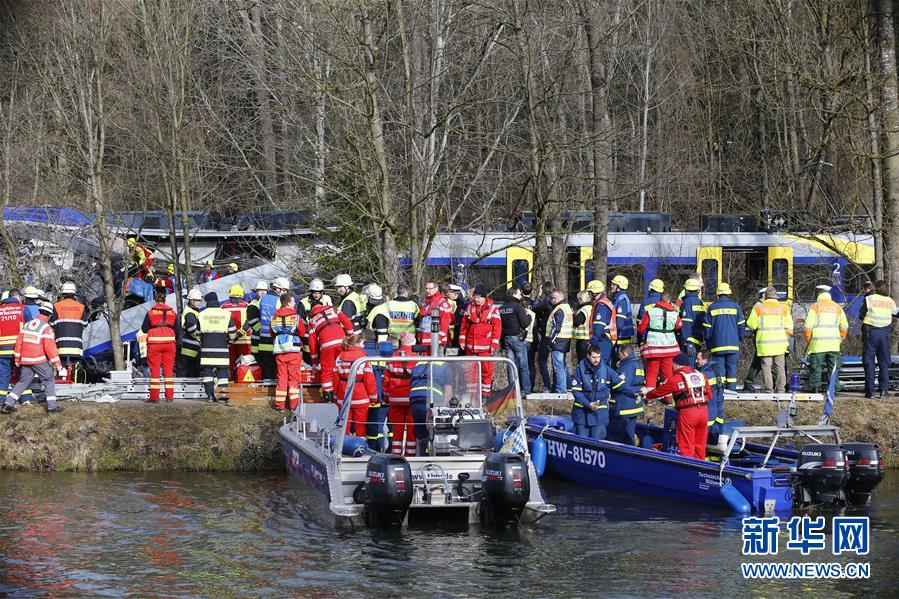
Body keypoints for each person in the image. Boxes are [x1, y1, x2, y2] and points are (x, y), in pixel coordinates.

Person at [1, 302, 65, 414]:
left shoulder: (27, 324)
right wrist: (57, 365)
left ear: (39, 312)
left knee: (23, 381)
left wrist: (17, 358)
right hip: (38, 359)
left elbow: (19, 342)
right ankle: (52, 408)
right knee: (49, 380)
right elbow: (50, 348)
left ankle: (7, 404)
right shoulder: (46, 328)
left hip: (25, 360)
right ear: (49, 315)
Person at [644, 354, 711, 459]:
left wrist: (647, 393)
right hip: (704, 412)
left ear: (676, 364)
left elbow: (659, 392)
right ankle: (699, 468)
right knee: (700, 445)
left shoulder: (676, 378)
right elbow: (709, 395)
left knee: (686, 444)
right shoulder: (701, 376)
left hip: (688, 414)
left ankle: (686, 469)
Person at [746, 287, 793, 394]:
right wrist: (784, 337)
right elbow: (789, 327)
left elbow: (751, 324)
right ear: (776, 296)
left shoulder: (759, 308)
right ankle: (781, 390)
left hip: (764, 344)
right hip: (780, 344)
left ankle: (769, 390)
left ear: (765, 296)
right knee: (780, 367)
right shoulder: (784, 308)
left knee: (766, 367)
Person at [459, 284, 502, 397]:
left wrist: (494, 343)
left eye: (478, 297)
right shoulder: (470, 308)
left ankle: (485, 393)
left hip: (485, 346)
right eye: (475, 297)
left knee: (486, 370)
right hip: (471, 346)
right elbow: (464, 325)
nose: (476, 299)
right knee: (470, 371)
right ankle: (472, 393)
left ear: (484, 297)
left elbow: (497, 327)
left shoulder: (493, 309)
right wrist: (462, 339)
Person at [804, 286, 849, 393]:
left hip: (818, 344)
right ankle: (834, 391)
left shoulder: (815, 307)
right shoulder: (837, 307)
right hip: (834, 344)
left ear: (819, 293)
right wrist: (840, 339)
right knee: (833, 369)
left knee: (816, 367)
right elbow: (844, 325)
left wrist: (808, 340)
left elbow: (807, 326)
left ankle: (814, 389)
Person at [703, 283, 745, 391]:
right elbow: (741, 326)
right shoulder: (736, 307)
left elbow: (707, 328)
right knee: (731, 368)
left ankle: (720, 391)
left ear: (718, 294)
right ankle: (731, 390)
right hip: (733, 344)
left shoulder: (712, 307)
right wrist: (740, 340)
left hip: (717, 345)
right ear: (729, 294)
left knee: (719, 369)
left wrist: (708, 343)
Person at [308, 302, 354, 402]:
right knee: (344, 366)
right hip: (341, 341)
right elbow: (347, 322)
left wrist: (315, 362)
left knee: (326, 372)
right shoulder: (334, 310)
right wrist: (350, 337)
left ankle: (329, 395)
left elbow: (312, 344)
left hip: (326, 346)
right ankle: (346, 391)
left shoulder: (312, 321)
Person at [859, 279, 897, 398]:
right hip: (884, 334)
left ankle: (870, 392)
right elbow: (896, 313)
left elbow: (861, 314)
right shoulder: (890, 301)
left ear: (875, 288)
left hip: (870, 332)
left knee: (869, 362)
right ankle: (884, 392)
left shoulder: (870, 299)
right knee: (884, 363)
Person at [334, 334, 378, 438]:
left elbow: (335, 378)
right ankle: (360, 447)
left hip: (343, 393)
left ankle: (343, 446)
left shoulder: (339, 357)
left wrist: (335, 396)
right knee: (360, 426)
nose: (363, 346)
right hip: (360, 395)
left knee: (344, 424)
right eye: (362, 343)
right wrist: (373, 397)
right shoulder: (363, 357)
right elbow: (369, 379)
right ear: (357, 344)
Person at [409, 358, 454, 455]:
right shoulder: (444, 366)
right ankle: (433, 457)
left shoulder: (419, 363)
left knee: (421, 433)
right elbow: (448, 393)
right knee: (435, 430)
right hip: (433, 399)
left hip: (415, 398)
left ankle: (421, 455)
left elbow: (412, 382)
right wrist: (446, 410)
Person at [637, 291, 682, 389]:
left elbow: (640, 328)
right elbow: (679, 326)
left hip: (653, 346)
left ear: (660, 300)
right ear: (669, 301)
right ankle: (668, 397)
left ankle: (650, 397)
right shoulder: (674, 313)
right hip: (669, 346)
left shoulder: (651, 311)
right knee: (667, 372)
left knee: (652, 372)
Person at [198, 292, 237, 403]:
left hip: (206, 350)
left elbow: (196, 333)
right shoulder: (226, 314)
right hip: (222, 349)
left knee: (207, 373)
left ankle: (210, 396)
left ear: (207, 302)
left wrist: (202, 342)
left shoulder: (201, 314)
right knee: (223, 373)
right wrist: (229, 342)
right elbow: (232, 332)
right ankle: (223, 396)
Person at [141, 286, 177, 403]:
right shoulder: (173, 313)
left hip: (155, 343)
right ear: (165, 300)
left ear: (155, 300)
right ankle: (169, 397)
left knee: (155, 370)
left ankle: (155, 398)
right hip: (170, 343)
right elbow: (177, 329)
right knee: (168, 370)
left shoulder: (150, 313)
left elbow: (144, 329)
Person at [570, 344, 613, 439]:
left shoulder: (606, 369)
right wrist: (588, 404)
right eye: (594, 357)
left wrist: (635, 393)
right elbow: (576, 392)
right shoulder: (579, 370)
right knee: (581, 443)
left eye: (598, 357)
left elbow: (620, 384)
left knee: (598, 444)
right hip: (582, 415)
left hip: (599, 415)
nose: (596, 360)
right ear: (588, 356)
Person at [384, 333, 418, 456]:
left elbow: (386, 379)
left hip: (395, 397)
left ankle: (396, 454)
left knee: (397, 428)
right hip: (411, 397)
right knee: (411, 428)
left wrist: (387, 396)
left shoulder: (392, 356)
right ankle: (410, 455)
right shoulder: (417, 357)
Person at [272, 293, 305, 411]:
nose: (295, 303)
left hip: (279, 351)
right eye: (293, 301)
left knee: (282, 378)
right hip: (293, 351)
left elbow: (272, 334)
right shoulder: (296, 317)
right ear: (289, 303)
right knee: (293, 379)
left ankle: (279, 406)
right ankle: (294, 406)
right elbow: (301, 332)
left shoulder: (274, 317)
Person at [499, 286, 532, 395]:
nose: (520, 295)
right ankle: (525, 390)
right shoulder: (517, 306)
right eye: (519, 293)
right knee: (523, 365)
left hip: (506, 338)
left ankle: (512, 391)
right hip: (517, 338)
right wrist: (529, 317)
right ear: (514, 294)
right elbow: (525, 323)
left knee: (511, 366)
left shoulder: (502, 308)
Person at [609, 344, 644, 445]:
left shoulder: (627, 366)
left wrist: (612, 380)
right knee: (630, 433)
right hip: (634, 406)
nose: (618, 357)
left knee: (619, 437)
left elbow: (621, 385)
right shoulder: (638, 363)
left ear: (624, 354)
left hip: (623, 406)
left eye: (619, 354)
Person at [49, 282, 88, 374]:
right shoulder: (81, 307)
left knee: (61, 372)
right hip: (76, 347)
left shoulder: (57, 306)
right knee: (76, 372)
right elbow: (85, 323)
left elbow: (51, 323)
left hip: (61, 347)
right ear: (74, 293)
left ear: (63, 293)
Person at [256, 277, 290, 380]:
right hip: (275, 336)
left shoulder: (262, 299)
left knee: (266, 365)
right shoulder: (279, 301)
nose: (285, 293)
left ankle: (266, 386)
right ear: (278, 289)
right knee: (277, 365)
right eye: (284, 290)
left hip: (263, 337)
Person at [545, 290, 573, 394]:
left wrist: (551, 341)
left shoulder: (559, 309)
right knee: (563, 366)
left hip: (558, 340)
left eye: (554, 298)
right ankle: (568, 386)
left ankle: (561, 390)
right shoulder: (567, 307)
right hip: (565, 340)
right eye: (551, 298)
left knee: (558, 367)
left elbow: (556, 327)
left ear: (560, 297)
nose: (552, 300)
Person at [742, 288, 770, 391]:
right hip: (761, 336)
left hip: (764, 336)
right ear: (763, 296)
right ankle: (749, 382)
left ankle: (749, 381)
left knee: (761, 360)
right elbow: (751, 324)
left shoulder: (761, 306)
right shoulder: (759, 306)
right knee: (760, 360)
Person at [222, 285, 251, 381]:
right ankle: (243, 384)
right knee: (245, 365)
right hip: (245, 341)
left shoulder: (223, 307)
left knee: (231, 365)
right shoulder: (247, 305)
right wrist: (240, 333)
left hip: (229, 341)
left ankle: (232, 383)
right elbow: (249, 322)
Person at [0, 289, 24, 404]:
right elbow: (30, 326)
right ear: (18, 297)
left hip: (3, 349)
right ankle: (25, 399)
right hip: (18, 349)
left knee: (4, 374)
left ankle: (1, 399)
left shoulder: (0, 310)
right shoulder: (22, 309)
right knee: (22, 374)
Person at [531, 282, 555, 390]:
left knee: (542, 361)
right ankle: (557, 385)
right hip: (554, 334)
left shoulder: (547, 300)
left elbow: (535, 307)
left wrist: (538, 295)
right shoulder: (555, 300)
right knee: (557, 362)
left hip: (546, 333)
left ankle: (547, 385)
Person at [588, 280, 618, 366]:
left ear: (594, 293)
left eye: (589, 292)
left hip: (602, 340)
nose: (588, 294)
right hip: (605, 339)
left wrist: (592, 342)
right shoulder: (605, 302)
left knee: (601, 366)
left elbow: (598, 326)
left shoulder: (601, 305)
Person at [677, 278, 705, 366]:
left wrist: (685, 341)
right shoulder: (701, 302)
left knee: (687, 368)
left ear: (686, 290)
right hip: (697, 340)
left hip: (689, 341)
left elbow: (686, 323)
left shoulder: (687, 302)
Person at [418, 280, 453, 350]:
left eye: (430, 289)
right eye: (426, 289)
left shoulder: (442, 303)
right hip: (426, 339)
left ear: (436, 288)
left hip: (437, 341)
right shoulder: (425, 302)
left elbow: (445, 322)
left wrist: (439, 337)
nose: (428, 291)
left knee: (438, 360)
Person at [696, 350, 724, 433]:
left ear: (705, 360)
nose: (696, 361)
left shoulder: (706, 374)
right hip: (718, 408)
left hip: (709, 409)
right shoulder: (718, 369)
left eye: (698, 359)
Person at [177, 288, 203, 377]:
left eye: (199, 300)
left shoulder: (192, 311)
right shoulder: (190, 313)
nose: (198, 303)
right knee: (189, 373)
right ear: (191, 300)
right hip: (189, 348)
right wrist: (201, 338)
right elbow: (193, 330)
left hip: (190, 347)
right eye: (196, 301)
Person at [610, 275, 635, 363]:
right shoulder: (618, 298)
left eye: (613, 284)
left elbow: (619, 322)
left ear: (618, 287)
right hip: (620, 336)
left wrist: (613, 334)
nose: (611, 286)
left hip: (621, 337)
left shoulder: (621, 300)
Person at [572, 290, 594, 362]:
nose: (578, 302)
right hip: (590, 338)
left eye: (578, 299)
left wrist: (572, 315)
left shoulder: (583, 310)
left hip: (583, 339)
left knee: (582, 360)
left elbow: (577, 322)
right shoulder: (592, 308)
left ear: (581, 299)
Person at [446, 283, 467, 348]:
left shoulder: (462, 304)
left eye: (449, 293)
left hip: (460, 330)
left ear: (455, 294)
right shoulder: (457, 303)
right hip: (456, 330)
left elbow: (459, 319)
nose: (448, 295)